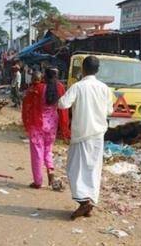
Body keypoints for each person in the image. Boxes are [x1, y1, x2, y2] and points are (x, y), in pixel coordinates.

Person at [58, 56, 113, 219]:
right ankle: (89, 200)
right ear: (97, 70)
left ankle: (83, 201)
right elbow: (109, 110)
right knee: (93, 169)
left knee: (74, 168)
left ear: (83, 69)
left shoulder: (78, 87)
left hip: (81, 134)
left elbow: (62, 103)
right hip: (98, 135)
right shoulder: (105, 88)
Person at [22, 68, 70, 189]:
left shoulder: (36, 88)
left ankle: (38, 181)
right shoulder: (59, 87)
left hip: (36, 124)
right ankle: (51, 173)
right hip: (52, 124)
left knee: (37, 152)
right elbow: (64, 110)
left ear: (44, 76)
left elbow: (26, 105)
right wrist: (65, 129)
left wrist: (26, 123)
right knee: (48, 150)